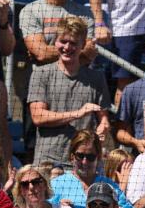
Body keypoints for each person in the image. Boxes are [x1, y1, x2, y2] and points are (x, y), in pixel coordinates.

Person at [27, 17, 110, 170]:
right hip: (49, 162)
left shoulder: (96, 78)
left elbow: (103, 118)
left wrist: (102, 129)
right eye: (63, 41)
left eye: (73, 43)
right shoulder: (41, 73)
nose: (67, 47)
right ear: (55, 42)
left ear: (83, 45)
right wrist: (77, 114)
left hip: (83, 162)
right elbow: (38, 116)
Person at [50, 132, 140, 208]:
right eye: (80, 156)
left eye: (90, 157)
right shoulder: (57, 184)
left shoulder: (110, 186)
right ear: (72, 157)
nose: (84, 162)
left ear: (98, 157)